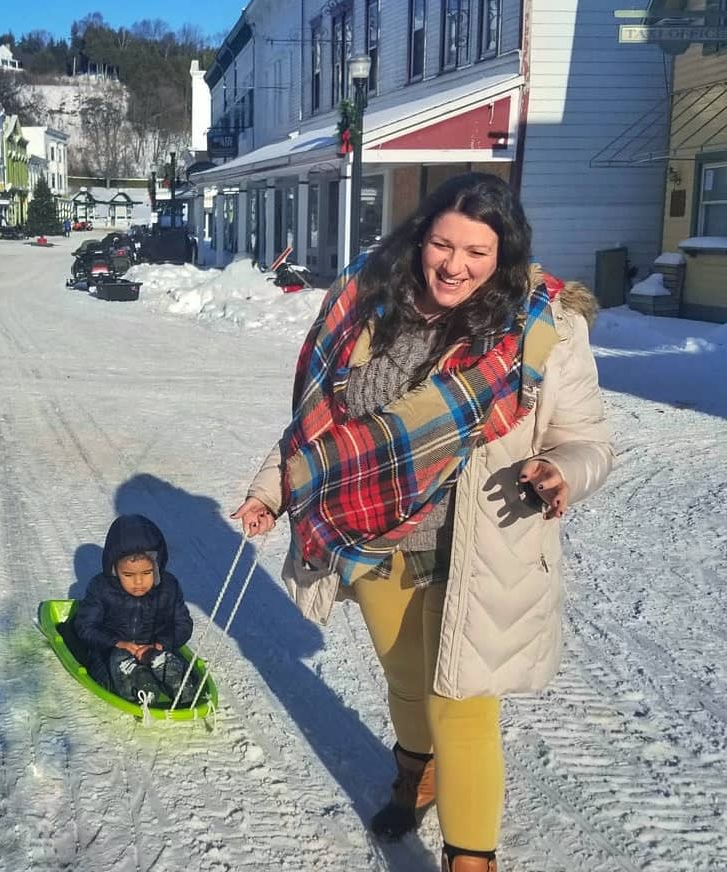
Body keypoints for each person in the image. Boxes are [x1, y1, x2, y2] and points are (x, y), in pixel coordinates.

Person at [231, 173, 613, 872]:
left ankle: (472, 859)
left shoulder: (545, 332)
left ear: (505, 254)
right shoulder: (366, 307)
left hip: (482, 545)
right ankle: (417, 773)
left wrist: (564, 472)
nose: (455, 264)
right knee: (406, 681)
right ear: (420, 236)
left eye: (477, 251)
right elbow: (320, 430)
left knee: (461, 703)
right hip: (374, 541)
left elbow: (589, 441)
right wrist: (272, 491)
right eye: (443, 243)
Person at [73, 514, 197, 705]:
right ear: (114, 569)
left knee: (163, 658)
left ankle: (178, 682)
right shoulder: (101, 588)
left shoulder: (168, 587)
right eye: (128, 574)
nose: (138, 582)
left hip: (154, 648)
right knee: (114, 662)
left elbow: (183, 624)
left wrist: (160, 644)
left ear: (156, 567)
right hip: (113, 649)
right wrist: (117, 643)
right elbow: (85, 627)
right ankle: (141, 686)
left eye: (146, 573)